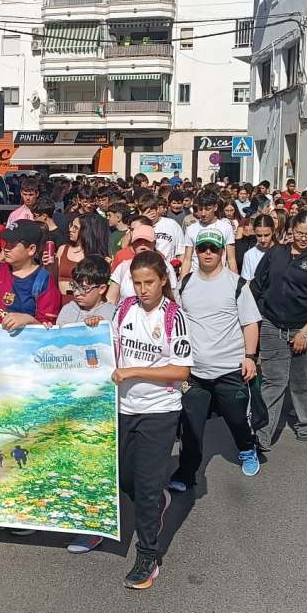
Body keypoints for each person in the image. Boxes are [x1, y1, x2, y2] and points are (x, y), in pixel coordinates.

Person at [111, 251, 191, 589]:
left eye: (149, 283)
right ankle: (158, 500)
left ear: (162, 281)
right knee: (124, 478)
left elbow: (181, 370)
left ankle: (147, 557)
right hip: (124, 408)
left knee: (145, 486)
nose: (143, 290)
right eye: (137, 283)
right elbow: (110, 348)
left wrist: (134, 371)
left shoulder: (174, 316)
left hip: (160, 411)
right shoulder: (124, 309)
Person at [172, 229, 263, 494]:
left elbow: (250, 323)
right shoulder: (185, 283)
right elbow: (176, 322)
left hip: (230, 369)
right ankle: (187, 472)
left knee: (237, 420)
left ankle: (247, 449)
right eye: (202, 248)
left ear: (223, 251)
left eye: (213, 248)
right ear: (197, 252)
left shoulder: (237, 284)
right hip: (195, 372)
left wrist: (250, 357)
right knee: (190, 428)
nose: (208, 253)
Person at [250, 212, 307, 447]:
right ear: (291, 230)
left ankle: (306, 422)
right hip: (272, 324)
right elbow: (258, 284)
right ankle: (262, 433)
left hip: (305, 328)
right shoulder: (276, 253)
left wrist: (305, 333)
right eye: (299, 233)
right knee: (273, 381)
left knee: (302, 379)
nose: (303, 238)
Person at [0, 221, 62, 330]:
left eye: (12, 244)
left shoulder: (43, 281)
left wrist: (28, 320)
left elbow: (48, 327)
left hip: (26, 340)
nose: (6, 248)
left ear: (31, 249)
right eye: (5, 242)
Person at [108, 223, 180, 303]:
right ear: (133, 244)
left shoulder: (165, 266)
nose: (143, 244)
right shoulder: (123, 267)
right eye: (138, 241)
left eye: (147, 241)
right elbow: (111, 299)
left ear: (154, 243)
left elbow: (173, 296)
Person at [183, 192, 236, 275]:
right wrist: (182, 281)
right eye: (200, 209)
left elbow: (231, 259)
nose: (203, 213)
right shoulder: (191, 229)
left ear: (215, 207)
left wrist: (235, 280)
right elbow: (187, 259)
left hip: (219, 276)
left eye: (207, 209)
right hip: (196, 276)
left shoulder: (226, 227)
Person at [56, 214, 107, 295]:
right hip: (61, 299)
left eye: (75, 228)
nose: (70, 229)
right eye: (71, 226)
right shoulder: (63, 249)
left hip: (83, 300)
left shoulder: (97, 258)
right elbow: (52, 277)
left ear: (86, 231)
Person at [240, 213, 276, 282]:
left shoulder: (282, 252)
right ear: (254, 232)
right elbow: (245, 282)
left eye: (266, 235)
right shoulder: (249, 255)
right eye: (259, 236)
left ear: (273, 231)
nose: (263, 240)